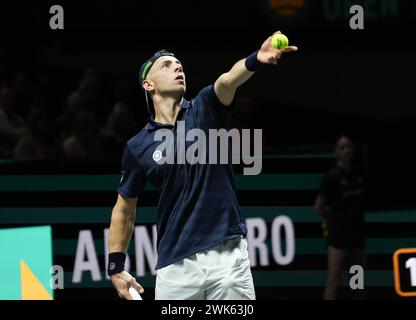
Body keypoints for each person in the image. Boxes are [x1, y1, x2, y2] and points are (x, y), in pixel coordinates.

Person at [107, 32, 298, 300]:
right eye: (167, 65)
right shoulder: (138, 147)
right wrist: (115, 266)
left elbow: (228, 80)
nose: (177, 67)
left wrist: (256, 58)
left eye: (180, 65)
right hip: (175, 267)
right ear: (148, 85)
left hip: (227, 257)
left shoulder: (206, 107)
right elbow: (124, 208)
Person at [314, 134, 366, 300]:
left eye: (349, 147)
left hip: (358, 235)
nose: (346, 150)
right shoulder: (331, 178)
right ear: (336, 151)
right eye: (342, 147)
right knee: (334, 279)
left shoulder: (359, 175)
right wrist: (332, 221)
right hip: (339, 237)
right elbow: (318, 207)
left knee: (357, 280)